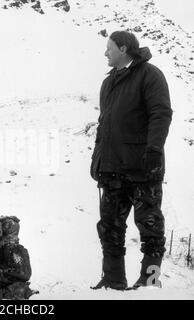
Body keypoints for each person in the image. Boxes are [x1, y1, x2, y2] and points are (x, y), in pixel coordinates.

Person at [90, 30, 172, 290]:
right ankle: (113, 281)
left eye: (109, 48)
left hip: (142, 167)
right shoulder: (108, 82)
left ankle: (150, 281)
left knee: (150, 225)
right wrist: (98, 160)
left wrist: (154, 150)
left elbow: (161, 114)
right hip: (112, 168)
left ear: (123, 48)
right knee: (109, 225)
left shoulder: (150, 75)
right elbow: (105, 125)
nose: (106, 53)